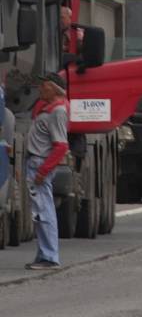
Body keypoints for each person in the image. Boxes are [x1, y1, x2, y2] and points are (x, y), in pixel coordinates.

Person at [25, 72, 69, 271]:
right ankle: (44, 253)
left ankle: (50, 256)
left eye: (44, 86)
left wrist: (43, 171)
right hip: (36, 162)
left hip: (40, 163)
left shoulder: (58, 111)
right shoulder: (48, 108)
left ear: (54, 88)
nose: (40, 89)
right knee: (40, 211)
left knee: (44, 211)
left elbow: (60, 146)